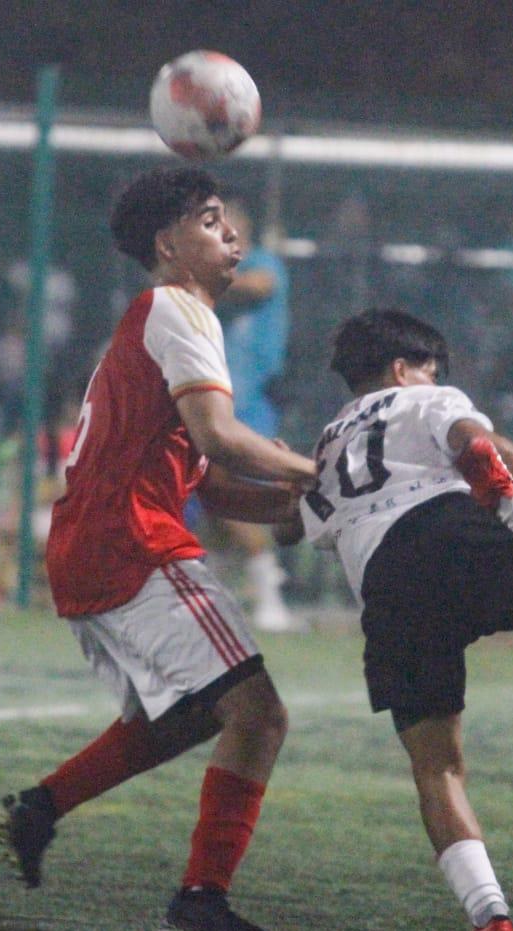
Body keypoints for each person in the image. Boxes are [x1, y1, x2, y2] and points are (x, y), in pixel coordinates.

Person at [0, 167, 317, 931]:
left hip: (93, 545)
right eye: (211, 221)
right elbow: (218, 439)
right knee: (259, 714)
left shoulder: (160, 320)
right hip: (129, 541)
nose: (232, 233)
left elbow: (212, 482)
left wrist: (304, 506)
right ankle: (200, 901)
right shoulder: (178, 309)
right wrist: (318, 471)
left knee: (195, 716)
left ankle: (43, 804)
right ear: (168, 244)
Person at [289, 308, 513, 931]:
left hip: (386, 586)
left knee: (437, 768)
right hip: (452, 530)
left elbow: (304, 527)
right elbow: (482, 447)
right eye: (430, 369)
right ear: (403, 369)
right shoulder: (428, 399)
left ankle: (491, 920)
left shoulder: (326, 444)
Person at [205, 199, 302, 633]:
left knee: (232, 493)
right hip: (212, 402)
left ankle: (270, 594)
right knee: (208, 504)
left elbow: (258, 286)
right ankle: (236, 592)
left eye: (231, 219)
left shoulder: (262, 265)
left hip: (250, 405)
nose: (225, 227)